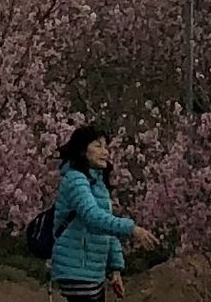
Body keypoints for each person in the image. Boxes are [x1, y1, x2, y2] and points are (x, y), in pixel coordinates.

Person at [49, 122, 148, 302]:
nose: (105, 152)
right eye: (98, 146)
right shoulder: (75, 179)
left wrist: (115, 268)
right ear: (82, 151)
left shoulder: (99, 183)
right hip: (77, 268)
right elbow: (92, 217)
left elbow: (107, 227)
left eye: (106, 147)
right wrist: (131, 228)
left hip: (93, 271)